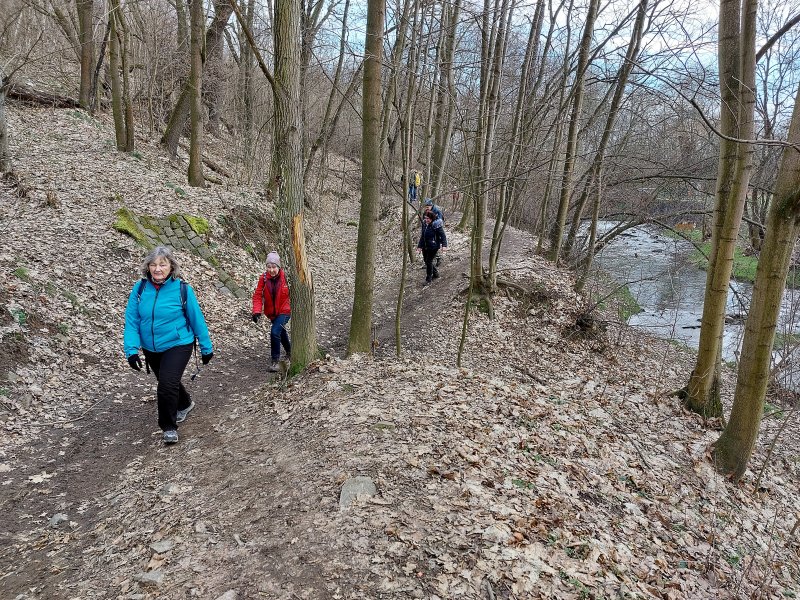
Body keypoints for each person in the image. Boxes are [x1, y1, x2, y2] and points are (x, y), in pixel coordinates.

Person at [124, 246, 213, 445]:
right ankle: (185, 403)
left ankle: (169, 427)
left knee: (166, 384)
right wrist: (131, 350)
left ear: (171, 267)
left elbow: (197, 319)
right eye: (153, 264)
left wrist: (206, 347)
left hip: (178, 343)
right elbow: (132, 321)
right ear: (147, 267)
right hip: (151, 346)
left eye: (162, 265)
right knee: (168, 380)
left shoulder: (182, 289)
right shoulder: (139, 289)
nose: (157, 269)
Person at [252, 251, 291, 372]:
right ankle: (290, 351)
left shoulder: (286, 277)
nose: (271, 270)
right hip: (272, 313)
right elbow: (258, 295)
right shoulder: (263, 278)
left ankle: (275, 361)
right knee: (281, 332)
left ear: (279, 267)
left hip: (285, 310)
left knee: (275, 332)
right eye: (269, 267)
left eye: (274, 267)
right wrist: (256, 311)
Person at [417, 211, 448, 285]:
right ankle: (436, 274)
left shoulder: (436, 225)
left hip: (433, 246)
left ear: (432, 218)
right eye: (425, 218)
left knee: (429, 261)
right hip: (425, 246)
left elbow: (443, 236)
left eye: (428, 218)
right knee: (426, 260)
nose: (426, 220)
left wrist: (444, 245)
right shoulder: (425, 224)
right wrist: (419, 246)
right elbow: (422, 236)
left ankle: (428, 279)